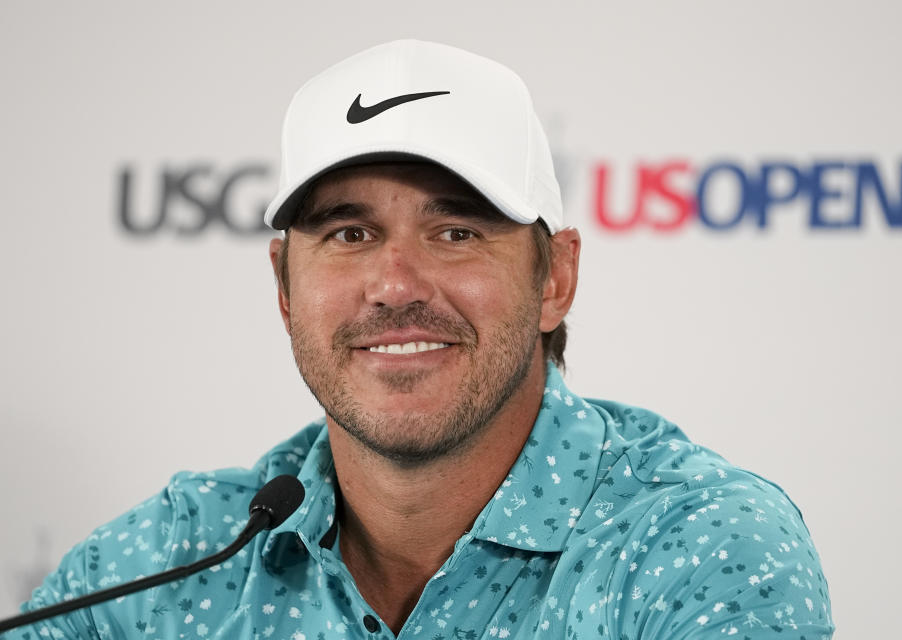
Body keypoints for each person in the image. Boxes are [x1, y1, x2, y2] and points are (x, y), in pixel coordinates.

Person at [13, 40, 834, 639]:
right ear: (285, 288)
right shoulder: (169, 560)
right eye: (347, 234)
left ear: (555, 279)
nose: (397, 284)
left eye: (456, 232)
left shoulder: (693, 546)